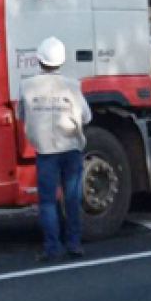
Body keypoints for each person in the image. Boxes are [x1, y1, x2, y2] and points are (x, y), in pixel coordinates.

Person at [17, 36, 92, 263]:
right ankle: (74, 244)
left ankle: (52, 247)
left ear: (39, 61)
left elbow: (22, 115)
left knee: (47, 201)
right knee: (71, 198)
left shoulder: (27, 86)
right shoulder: (72, 85)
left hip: (45, 151)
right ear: (61, 61)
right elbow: (87, 116)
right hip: (70, 147)